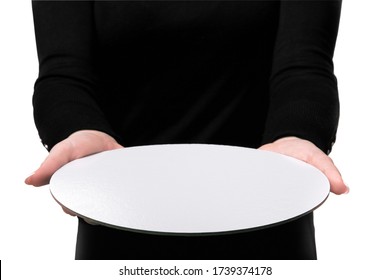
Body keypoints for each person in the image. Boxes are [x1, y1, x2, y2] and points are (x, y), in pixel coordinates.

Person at [26, 0, 348, 260]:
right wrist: (78, 129)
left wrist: (296, 132)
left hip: (269, 218)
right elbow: (64, 72)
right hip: (119, 221)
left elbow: (304, 65)